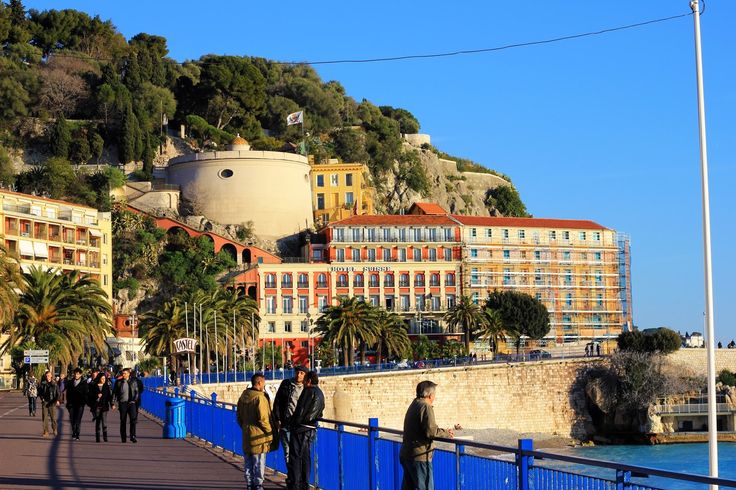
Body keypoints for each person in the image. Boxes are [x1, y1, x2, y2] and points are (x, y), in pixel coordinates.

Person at [399, 380, 454, 490]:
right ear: (430, 395)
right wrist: (446, 433)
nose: (434, 397)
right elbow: (431, 431)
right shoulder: (425, 407)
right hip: (419, 455)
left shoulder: (414, 404)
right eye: (434, 394)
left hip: (407, 453)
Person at [237, 373, 276, 490]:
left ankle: (249, 483)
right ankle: (258, 484)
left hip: (246, 432)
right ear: (259, 383)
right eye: (263, 382)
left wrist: (244, 427)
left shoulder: (244, 396)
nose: (264, 385)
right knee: (259, 460)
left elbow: (238, 416)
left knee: (248, 460)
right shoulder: (260, 398)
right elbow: (263, 419)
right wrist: (270, 432)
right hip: (259, 435)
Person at [287, 371, 324, 490]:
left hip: (301, 428)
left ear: (308, 381)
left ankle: (296, 484)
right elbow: (320, 411)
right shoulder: (319, 392)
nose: (302, 382)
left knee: (296, 457)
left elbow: (301, 411)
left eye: (304, 380)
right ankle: (305, 484)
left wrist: (293, 422)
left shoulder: (308, 391)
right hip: (310, 428)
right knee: (305, 456)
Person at [273, 365, 307, 473]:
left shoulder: (307, 387)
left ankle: (299, 478)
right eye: (297, 372)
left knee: (300, 453)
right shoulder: (286, 384)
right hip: (286, 423)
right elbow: (277, 402)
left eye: (302, 373)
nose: (298, 375)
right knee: (287, 452)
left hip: (300, 425)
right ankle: (291, 476)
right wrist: (277, 418)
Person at [113, 368, 140, 443]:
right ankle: (123, 437)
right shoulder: (118, 382)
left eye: (125, 373)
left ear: (128, 374)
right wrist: (113, 402)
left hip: (131, 403)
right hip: (122, 403)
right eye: (122, 373)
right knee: (123, 420)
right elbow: (114, 393)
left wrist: (134, 401)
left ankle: (133, 436)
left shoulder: (133, 381)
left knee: (133, 420)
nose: (123, 375)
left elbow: (137, 392)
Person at [87, 372, 113, 442]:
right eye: (102, 378)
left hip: (104, 406)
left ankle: (105, 437)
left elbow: (109, 396)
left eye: (104, 378)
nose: (103, 380)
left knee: (104, 422)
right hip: (97, 406)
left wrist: (112, 404)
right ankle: (97, 437)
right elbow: (90, 395)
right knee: (98, 422)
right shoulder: (94, 386)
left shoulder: (106, 386)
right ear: (99, 378)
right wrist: (96, 396)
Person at [66, 368, 88, 441]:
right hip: (71, 404)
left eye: (78, 374)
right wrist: (67, 403)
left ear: (80, 375)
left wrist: (84, 402)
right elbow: (67, 393)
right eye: (75, 374)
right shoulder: (70, 382)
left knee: (78, 420)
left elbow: (86, 394)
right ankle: (74, 432)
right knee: (72, 420)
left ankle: (77, 434)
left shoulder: (84, 383)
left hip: (80, 404)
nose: (76, 375)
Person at [38, 371, 60, 437]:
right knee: (44, 417)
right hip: (45, 402)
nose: (48, 377)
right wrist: (42, 398)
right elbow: (40, 392)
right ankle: (46, 431)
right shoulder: (43, 384)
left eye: (49, 375)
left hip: (52, 402)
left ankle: (54, 429)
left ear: (51, 376)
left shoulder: (54, 384)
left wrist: (57, 400)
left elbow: (57, 393)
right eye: (46, 375)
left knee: (53, 417)